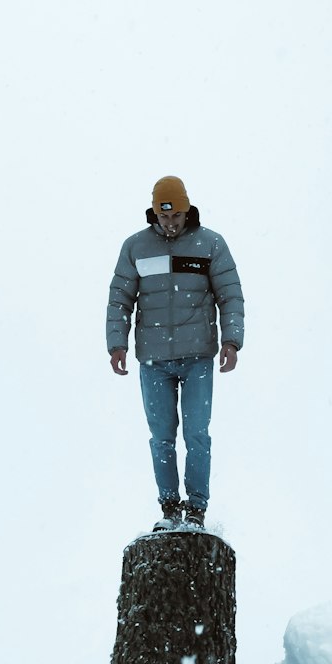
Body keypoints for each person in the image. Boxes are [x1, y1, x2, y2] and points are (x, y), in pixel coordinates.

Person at [106, 176, 244, 531]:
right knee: (162, 438)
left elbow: (230, 295)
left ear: (186, 210)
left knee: (197, 434)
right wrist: (117, 343)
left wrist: (232, 340)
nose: (169, 223)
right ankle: (169, 510)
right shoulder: (135, 248)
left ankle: (196, 510)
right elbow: (120, 299)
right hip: (153, 362)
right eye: (163, 216)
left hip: (198, 356)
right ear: (154, 212)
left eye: (176, 216)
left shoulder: (211, 244)